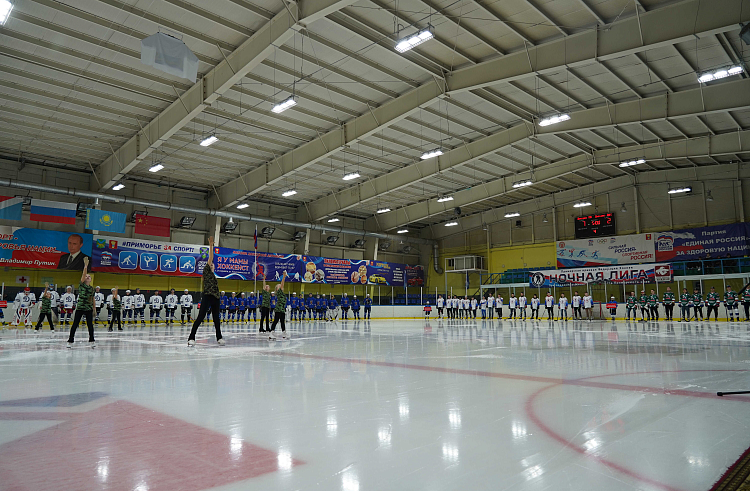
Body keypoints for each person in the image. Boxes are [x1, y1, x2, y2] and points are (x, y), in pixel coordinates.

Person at [188, 237, 224, 346]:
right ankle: (191, 337)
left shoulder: (214, 276)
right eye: (211, 264)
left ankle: (219, 337)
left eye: (213, 265)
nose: (212, 264)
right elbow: (211, 257)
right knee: (200, 317)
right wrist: (211, 245)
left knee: (216, 319)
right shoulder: (207, 271)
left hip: (216, 298)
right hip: (207, 296)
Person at [66, 257, 96, 348]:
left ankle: (92, 340)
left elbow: (93, 298)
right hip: (80, 307)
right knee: (75, 324)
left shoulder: (92, 289)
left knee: (90, 325)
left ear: (90, 280)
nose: (87, 277)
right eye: (86, 276)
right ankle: (70, 340)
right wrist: (85, 266)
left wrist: (94, 308)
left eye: (89, 276)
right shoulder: (82, 285)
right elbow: (83, 275)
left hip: (88, 308)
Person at [268, 272, 289, 340]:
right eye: (279, 286)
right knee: (276, 321)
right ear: (277, 289)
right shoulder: (279, 292)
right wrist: (283, 277)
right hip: (278, 309)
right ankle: (271, 333)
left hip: (282, 309)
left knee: (282, 321)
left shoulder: (282, 293)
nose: (281, 286)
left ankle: (284, 333)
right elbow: (282, 284)